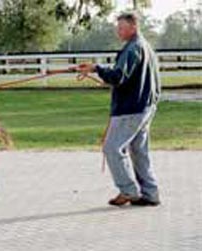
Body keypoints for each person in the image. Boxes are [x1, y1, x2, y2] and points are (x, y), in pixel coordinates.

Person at [82, 12, 161, 206]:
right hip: (145, 107)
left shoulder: (133, 48)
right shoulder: (145, 47)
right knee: (138, 150)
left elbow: (118, 76)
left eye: (121, 28)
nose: (118, 32)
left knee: (111, 148)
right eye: (118, 28)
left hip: (130, 109)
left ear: (133, 27)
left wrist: (97, 69)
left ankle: (128, 190)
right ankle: (150, 194)